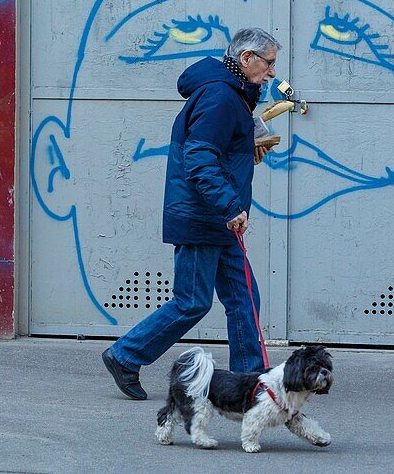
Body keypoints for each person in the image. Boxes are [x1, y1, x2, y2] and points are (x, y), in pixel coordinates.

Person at [101, 27, 279, 399]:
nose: (273, 73)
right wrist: (230, 205)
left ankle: (252, 381)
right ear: (247, 59)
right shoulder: (219, 96)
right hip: (205, 216)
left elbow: (217, 153)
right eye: (269, 63)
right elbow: (198, 158)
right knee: (192, 301)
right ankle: (125, 354)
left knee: (244, 298)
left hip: (220, 217)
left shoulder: (233, 95)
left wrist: (248, 152)